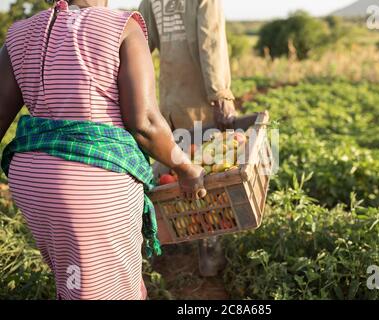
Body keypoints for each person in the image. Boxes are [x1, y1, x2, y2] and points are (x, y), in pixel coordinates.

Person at [0, 0, 205, 300]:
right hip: (93, 187)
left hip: (33, 184)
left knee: (76, 282)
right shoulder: (122, 28)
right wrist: (185, 167)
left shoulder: (20, 33)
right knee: (105, 290)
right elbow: (145, 123)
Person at [138, 0, 237, 277]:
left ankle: (158, 245)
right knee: (209, 180)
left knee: (170, 172)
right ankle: (209, 255)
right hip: (200, 104)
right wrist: (221, 94)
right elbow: (211, 42)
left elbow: (139, 41)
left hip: (169, 104)